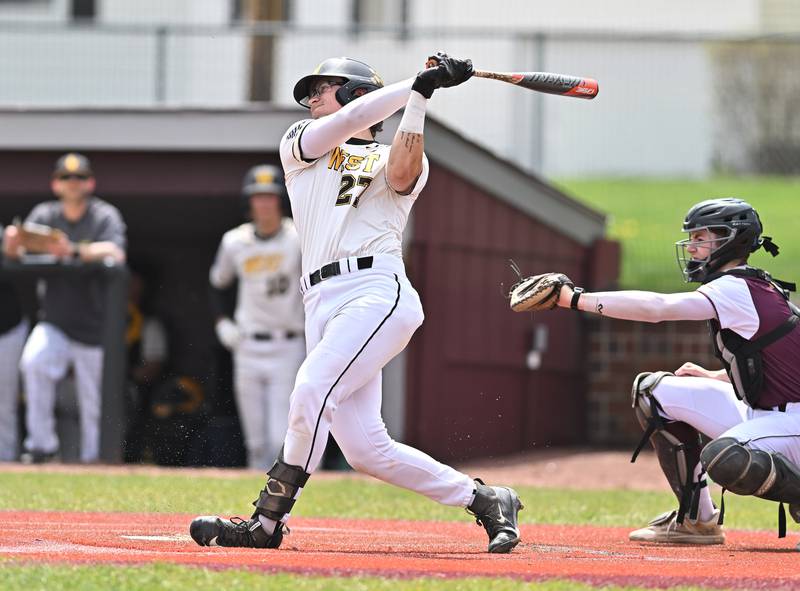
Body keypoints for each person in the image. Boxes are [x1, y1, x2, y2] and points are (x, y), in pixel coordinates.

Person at [190, 54, 524, 554]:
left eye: (324, 88)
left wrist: (419, 97)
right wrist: (422, 80)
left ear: (356, 92)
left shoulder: (399, 153)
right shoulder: (300, 146)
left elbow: (405, 170)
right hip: (319, 300)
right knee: (367, 449)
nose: (312, 99)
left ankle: (266, 521)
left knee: (309, 391)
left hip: (375, 290)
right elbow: (348, 121)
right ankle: (485, 498)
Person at [517, 197, 800, 545]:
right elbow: (780, 365)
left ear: (731, 239)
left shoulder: (736, 287)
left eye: (701, 238)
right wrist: (719, 377)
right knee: (653, 390)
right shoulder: (752, 287)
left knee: (723, 456)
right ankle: (696, 519)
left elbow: (658, 308)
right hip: (767, 416)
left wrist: (574, 299)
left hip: (791, 425)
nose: (693, 246)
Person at [3, 152, 127, 464]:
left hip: (95, 326)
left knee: (94, 400)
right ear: (55, 184)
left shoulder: (103, 215)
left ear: (90, 183)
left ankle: (94, 459)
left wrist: (73, 250)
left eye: (79, 178)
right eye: (66, 178)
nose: (73, 183)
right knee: (34, 362)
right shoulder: (45, 213)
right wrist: (13, 242)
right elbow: (18, 250)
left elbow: (116, 251)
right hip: (55, 320)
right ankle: (41, 446)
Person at [209, 164, 305, 470]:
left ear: (280, 200)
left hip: (287, 342)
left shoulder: (298, 235)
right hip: (248, 344)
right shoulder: (234, 241)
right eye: (258, 197)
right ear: (249, 202)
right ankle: (257, 511)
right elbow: (217, 284)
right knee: (255, 441)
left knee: (279, 436)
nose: (264, 203)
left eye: (270, 196)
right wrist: (221, 321)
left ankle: (278, 502)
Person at [0, 225, 29, 461]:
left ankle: (6, 461)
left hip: (6, 327)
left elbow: (15, 253)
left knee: (4, 402)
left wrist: (12, 244)